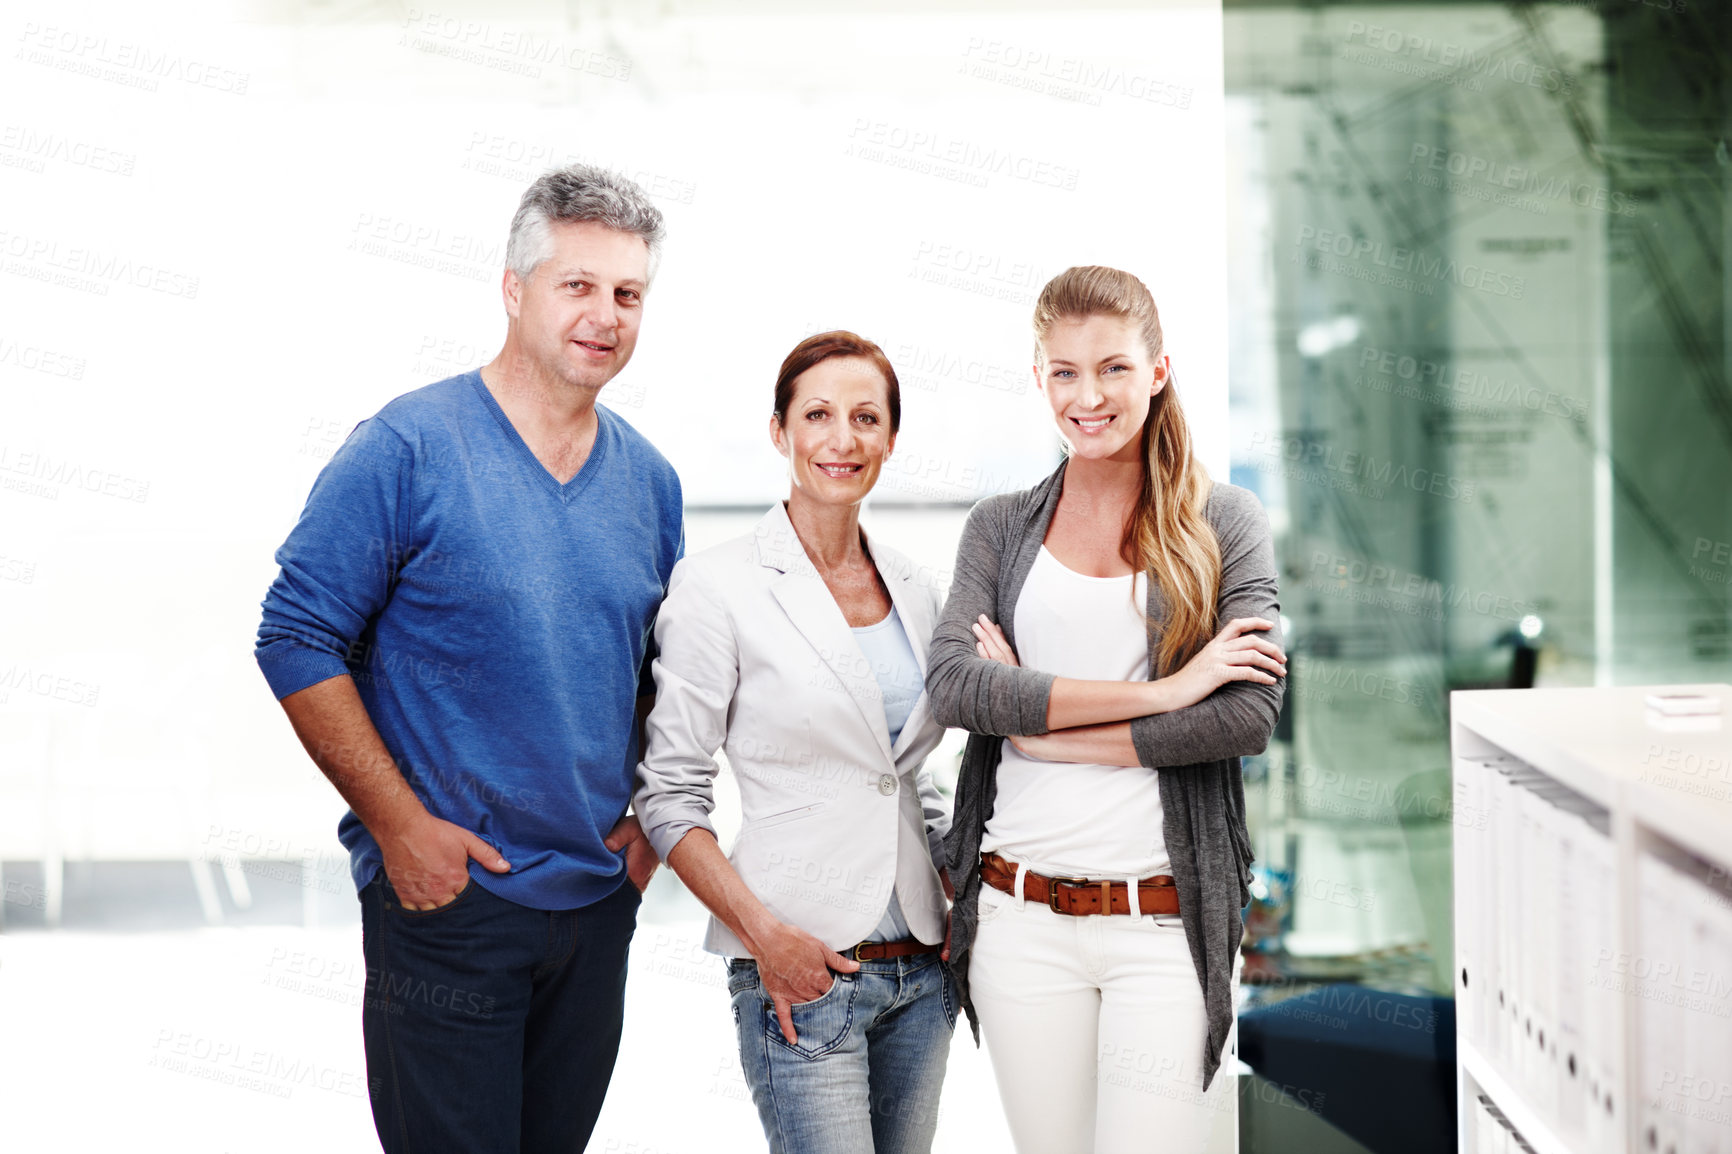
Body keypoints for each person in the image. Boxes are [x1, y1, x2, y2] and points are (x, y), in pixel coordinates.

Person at [253, 164, 683, 1154]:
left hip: (593, 906)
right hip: (448, 902)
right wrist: (401, 826)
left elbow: (664, 677)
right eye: (577, 284)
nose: (604, 314)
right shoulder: (408, 446)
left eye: (627, 293)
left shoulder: (650, 483)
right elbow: (294, 633)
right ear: (514, 288)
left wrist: (649, 836)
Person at [924, 265, 1287, 1154]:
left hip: (1163, 922)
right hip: (1019, 916)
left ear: (1158, 371)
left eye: (1115, 369)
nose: (1089, 396)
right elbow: (957, 685)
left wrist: (1040, 731)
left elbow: (1245, 717)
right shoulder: (1001, 526)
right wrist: (1165, 691)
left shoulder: (1225, 521)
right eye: (1065, 372)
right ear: (1040, 377)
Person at [633, 331, 957, 1154]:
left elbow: (907, 777)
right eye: (817, 414)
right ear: (780, 431)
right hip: (802, 967)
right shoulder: (718, 586)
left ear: (890, 438)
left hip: (920, 968)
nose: (842, 440)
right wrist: (765, 938)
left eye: (865, 417)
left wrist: (963, 892)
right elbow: (670, 793)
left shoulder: (919, 590)